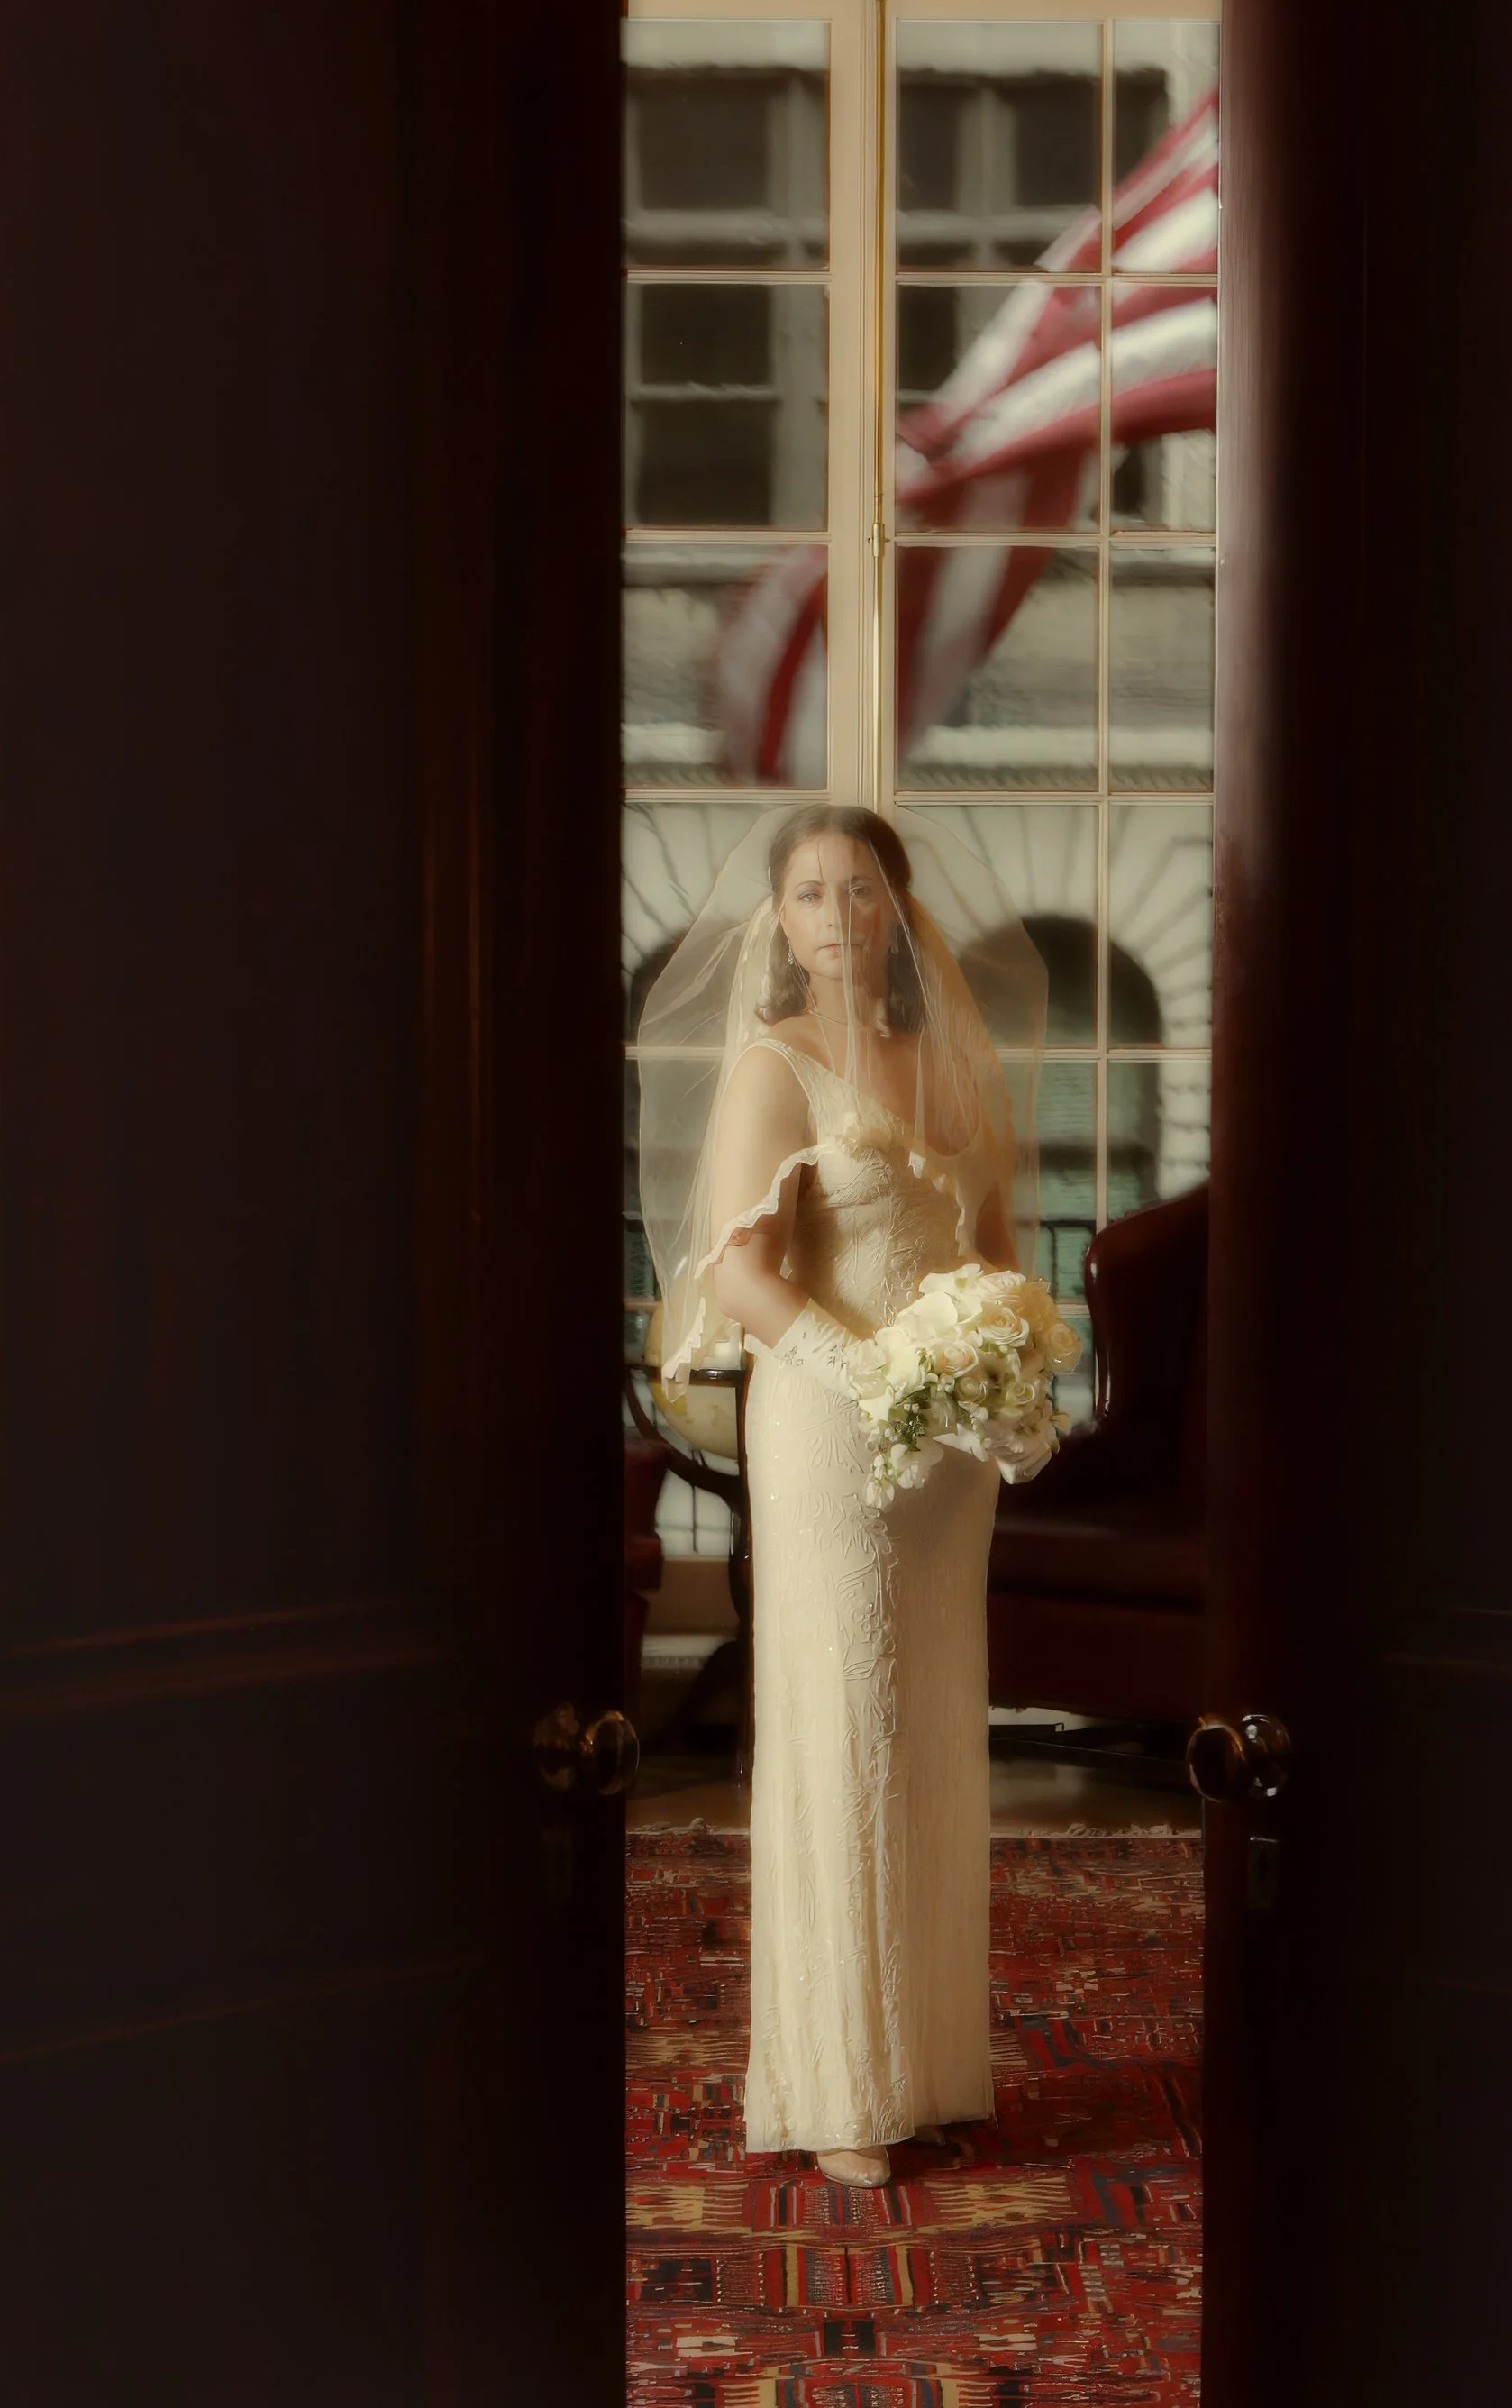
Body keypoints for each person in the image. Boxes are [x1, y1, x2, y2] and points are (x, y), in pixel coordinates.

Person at [635, 803, 1046, 2191]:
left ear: (896, 908)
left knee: (930, 1722)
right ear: (782, 918)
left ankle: (925, 2069)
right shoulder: (776, 1064)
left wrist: (1006, 1379)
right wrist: (876, 1378)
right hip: (828, 1425)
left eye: (858, 889)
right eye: (810, 893)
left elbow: (993, 1251)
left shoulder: (955, 1060)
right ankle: (839, 2086)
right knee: (846, 1725)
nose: (836, 916)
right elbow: (742, 1277)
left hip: (946, 1455)